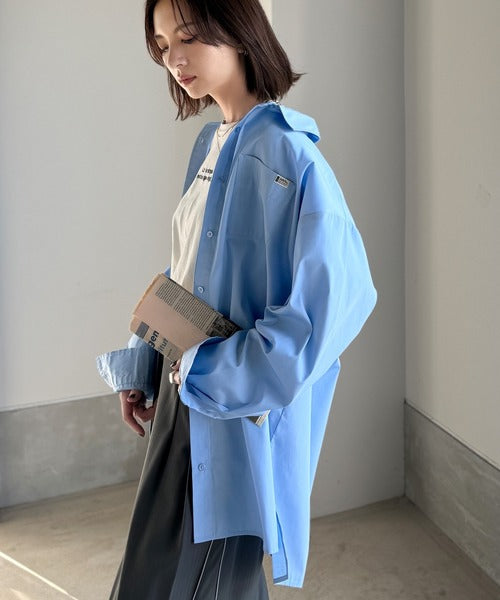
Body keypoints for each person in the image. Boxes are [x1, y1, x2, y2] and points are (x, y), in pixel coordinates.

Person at [96, 0, 377, 597]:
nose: (174, 59)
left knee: (205, 580)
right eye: (162, 46)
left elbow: (331, 307)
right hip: (182, 399)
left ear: (240, 31)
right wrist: (143, 359)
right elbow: (187, 274)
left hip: (229, 414)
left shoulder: (291, 157)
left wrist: (212, 373)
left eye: (189, 37)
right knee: (157, 575)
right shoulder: (211, 144)